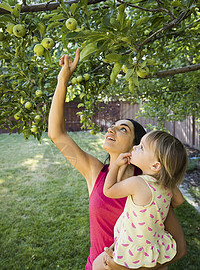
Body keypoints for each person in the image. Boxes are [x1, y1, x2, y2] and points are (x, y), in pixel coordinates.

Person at [48, 49, 187, 270]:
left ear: (136, 147)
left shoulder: (150, 186)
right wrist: (62, 80)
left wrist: (122, 266)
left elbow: (177, 250)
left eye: (123, 129)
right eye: (113, 125)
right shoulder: (96, 173)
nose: (111, 128)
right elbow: (57, 135)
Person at [93, 131, 187, 269]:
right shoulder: (167, 187)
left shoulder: (138, 183)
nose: (135, 147)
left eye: (141, 147)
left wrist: (116, 165)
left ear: (155, 166)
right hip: (153, 249)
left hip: (133, 251)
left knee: (97, 265)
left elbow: (108, 190)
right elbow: (179, 201)